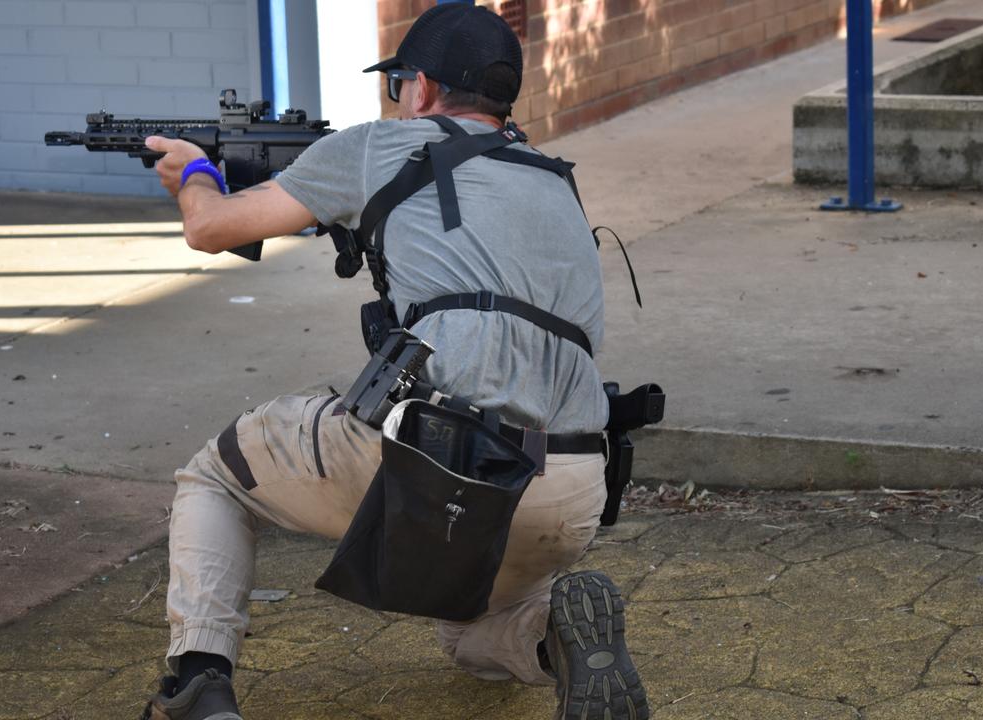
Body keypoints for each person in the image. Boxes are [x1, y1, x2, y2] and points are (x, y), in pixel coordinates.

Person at [139, 5, 648, 720]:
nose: (398, 101)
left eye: (400, 84)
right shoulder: (551, 175)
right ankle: (554, 640)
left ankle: (197, 679)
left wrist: (193, 170)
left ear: (427, 89)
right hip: (570, 485)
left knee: (218, 474)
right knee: (469, 637)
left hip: (443, 461)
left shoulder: (378, 148)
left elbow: (212, 226)